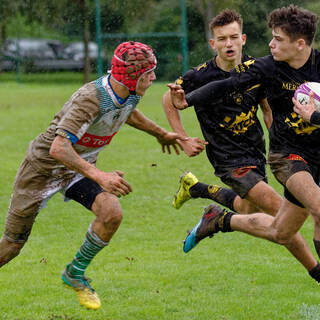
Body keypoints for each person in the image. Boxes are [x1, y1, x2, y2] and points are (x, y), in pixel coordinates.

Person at [0, 41, 185, 310]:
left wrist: (161, 133)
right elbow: (58, 147)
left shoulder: (130, 92)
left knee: (112, 213)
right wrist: (100, 175)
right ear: (133, 77)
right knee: (12, 245)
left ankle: (74, 273)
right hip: (43, 169)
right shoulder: (91, 98)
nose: (154, 78)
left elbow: (128, 113)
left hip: (77, 168)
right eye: (148, 74)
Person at [168, 5, 320, 284]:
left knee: (278, 229)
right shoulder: (264, 67)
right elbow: (226, 85)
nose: (271, 44)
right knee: (314, 208)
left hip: (288, 153)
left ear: (300, 43)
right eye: (271, 37)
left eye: (278, 39)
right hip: (282, 156)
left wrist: (313, 116)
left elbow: (267, 105)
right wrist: (186, 105)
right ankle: (317, 272)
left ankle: (219, 219)